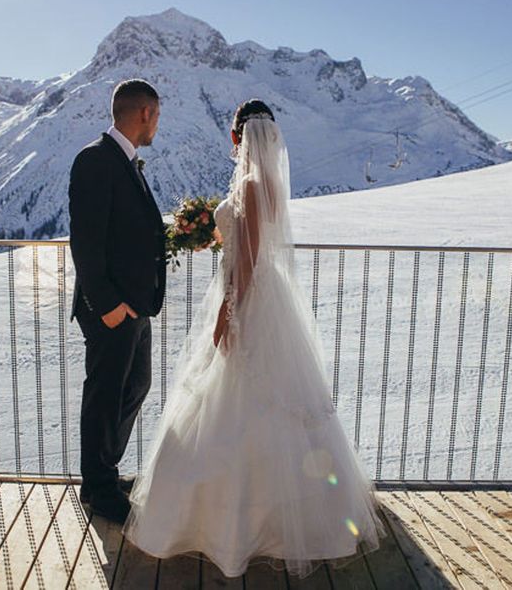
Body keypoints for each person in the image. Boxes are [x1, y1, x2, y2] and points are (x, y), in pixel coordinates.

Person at [122, 99, 386, 577]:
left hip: (246, 299)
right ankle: (305, 517)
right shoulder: (268, 185)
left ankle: (224, 526)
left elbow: (244, 262)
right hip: (270, 299)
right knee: (279, 406)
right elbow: (249, 246)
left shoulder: (247, 183)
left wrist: (228, 316)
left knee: (227, 400)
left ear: (236, 138)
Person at [68, 79, 167, 524]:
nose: (157, 126)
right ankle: (99, 487)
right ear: (144, 113)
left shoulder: (126, 163)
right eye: (157, 116)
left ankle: (103, 470)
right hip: (110, 307)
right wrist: (107, 304)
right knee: (105, 393)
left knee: (135, 386)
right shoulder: (94, 160)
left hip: (135, 305)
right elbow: (85, 242)